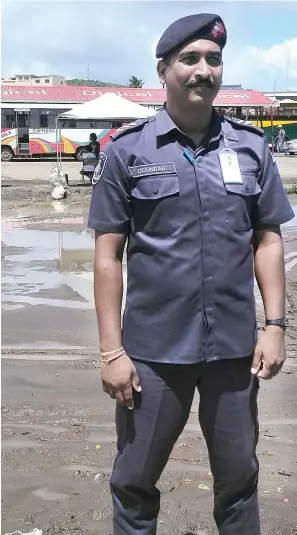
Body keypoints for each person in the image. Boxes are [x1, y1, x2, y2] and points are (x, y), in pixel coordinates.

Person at [88, 13, 294, 535]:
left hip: (233, 352)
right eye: (190, 59)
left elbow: (267, 239)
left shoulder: (250, 148)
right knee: (134, 481)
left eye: (214, 59)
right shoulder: (128, 151)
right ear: (163, 71)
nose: (204, 69)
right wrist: (112, 352)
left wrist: (275, 326)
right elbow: (108, 256)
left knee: (239, 479)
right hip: (153, 354)